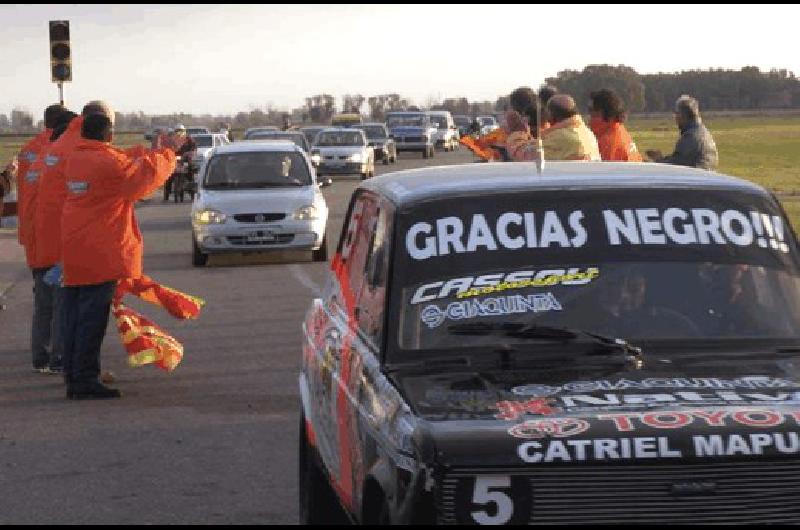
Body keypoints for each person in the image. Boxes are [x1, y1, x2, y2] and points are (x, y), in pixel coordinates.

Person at [60, 113, 176, 399]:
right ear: (109, 134)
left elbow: (116, 160)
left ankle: (73, 374)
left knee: (74, 317)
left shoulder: (75, 157)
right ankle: (84, 380)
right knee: (91, 319)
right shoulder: (109, 163)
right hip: (101, 251)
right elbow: (142, 179)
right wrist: (167, 153)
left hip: (75, 249)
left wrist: (143, 151)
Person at [23, 109, 79, 374]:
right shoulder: (59, 158)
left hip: (36, 241)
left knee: (43, 304)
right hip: (56, 244)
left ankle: (40, 356)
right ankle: (57, 357)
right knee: (60, 305)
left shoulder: (33, 155)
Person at [506, 94, 600, 161]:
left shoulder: (561, 137)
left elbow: (524, 155)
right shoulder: (586, 132)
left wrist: (518, 132)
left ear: (551, 114)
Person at [646, 95, 718, 170]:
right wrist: (662, 159)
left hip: (695, 179)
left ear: (684, 115)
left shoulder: (691, 137)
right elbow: (681, 159)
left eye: (677, 113)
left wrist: (657, 161)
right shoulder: (703, 132)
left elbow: (676, 165)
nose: (675, 117)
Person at [588, 88, 642, 161]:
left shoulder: (608, 143)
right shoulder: (619, 130)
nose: (589, 114)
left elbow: (603, 171)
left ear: (604, 111)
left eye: (591, 110)